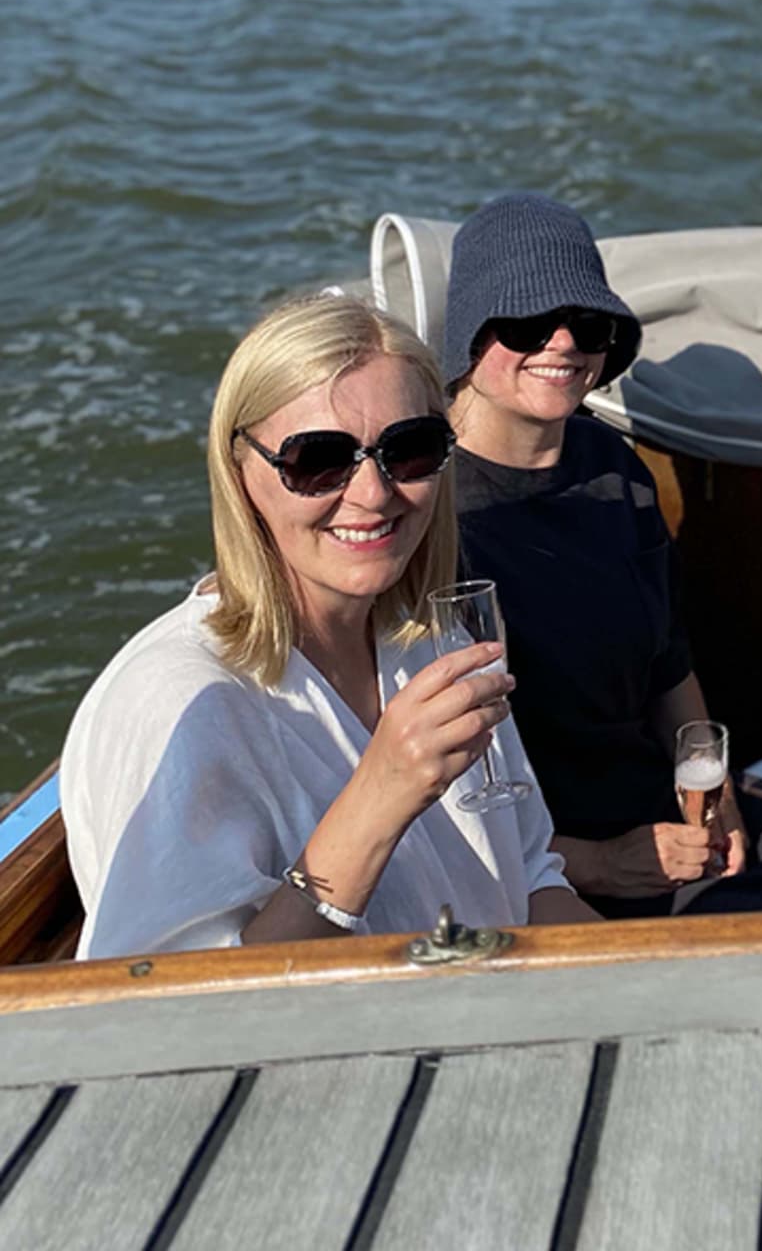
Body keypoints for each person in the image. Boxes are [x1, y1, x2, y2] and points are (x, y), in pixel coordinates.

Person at [64, 297, 597, 957]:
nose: (373, 493)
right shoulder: (178, 705)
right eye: (318, 459)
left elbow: (531, 881)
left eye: (410, 451)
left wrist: (655, 983)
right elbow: (176, 1019)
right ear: (240, 474)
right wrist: (380, 798)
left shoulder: (429, 640)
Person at [443, 192, 762, 915]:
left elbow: (670, 660)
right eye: (527, 322)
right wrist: (600, 865)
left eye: (588, 322)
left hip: (662, 813)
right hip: (538, 861)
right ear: (468, 336)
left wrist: (715, 788)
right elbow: (436, 794)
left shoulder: (614, 467)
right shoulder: (427, 515)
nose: (564, 343)